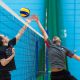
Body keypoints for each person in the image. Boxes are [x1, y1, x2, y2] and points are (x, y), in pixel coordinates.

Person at [32, 15, 80, 80]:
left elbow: (77, 57)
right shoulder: (50, 45)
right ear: (52, 41)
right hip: (55, 75)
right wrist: (38, 22)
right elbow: (43, 32)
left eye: (56, 37)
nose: (54, 37)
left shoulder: (65, 49)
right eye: (53, 38)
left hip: (64, 73)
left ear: (60, 40)